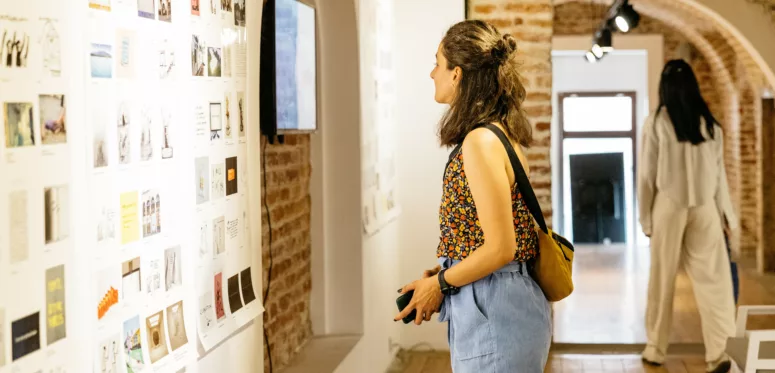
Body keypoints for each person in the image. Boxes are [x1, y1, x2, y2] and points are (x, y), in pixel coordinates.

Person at [393, 20, 551, 372]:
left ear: (458, 74)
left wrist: (440, 282)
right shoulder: (497, 134)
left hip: (496, 306)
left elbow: (501, 248)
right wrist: (449, 264)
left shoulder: (480, 142)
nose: (432, 73)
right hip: (498, 302)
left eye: (437, 62)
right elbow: (488, 235)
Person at [637, 59, 737, 373]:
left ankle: (655, 348)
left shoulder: (656, 121)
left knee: (662, 279)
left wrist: (645, 219)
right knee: (715, 282)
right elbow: (720, 175)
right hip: (706, 206)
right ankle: (720, 353)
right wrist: (728, 218)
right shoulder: (710, 123)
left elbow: (647, 176)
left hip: (669, 205)